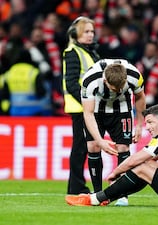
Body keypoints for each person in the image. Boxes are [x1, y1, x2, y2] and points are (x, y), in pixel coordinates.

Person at [65, 104, 158, 207]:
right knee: (148, 166)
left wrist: (115, 173)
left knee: (142, 166)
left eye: (150, 122)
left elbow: (135, 160)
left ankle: (96, 199)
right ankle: (108, 197)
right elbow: (151, 160)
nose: (148, 128)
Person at [79, 59, 146, 206]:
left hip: (122, 109)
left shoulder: (134, 75)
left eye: (121, 87)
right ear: (104, 80)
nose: (118, 90)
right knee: (93, 147)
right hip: (96, 110)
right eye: (113, 87)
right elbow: (88, 113)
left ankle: (122, 194)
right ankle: (98, 194)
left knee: (123, 148)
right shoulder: (89, 80)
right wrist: (100, 141)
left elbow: (140, 97)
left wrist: (140, 125)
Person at [62, 16, 100, 195]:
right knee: (80, 148)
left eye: (92, 31)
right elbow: (71, 83)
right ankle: (77, 187)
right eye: (86, 31)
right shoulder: (73, 52)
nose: (90, 35)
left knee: (82, 147)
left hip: (86, 108)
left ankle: (75, 187)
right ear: (75, 34)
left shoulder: (88, 52)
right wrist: (87, 105)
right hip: (81, 108)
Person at [1, 49, 52, 116]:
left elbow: (4, 95)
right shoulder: (34, 72)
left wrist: (6, 110)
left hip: (15, 112)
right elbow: (41, 92)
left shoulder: (9, 73)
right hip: (33, 112)